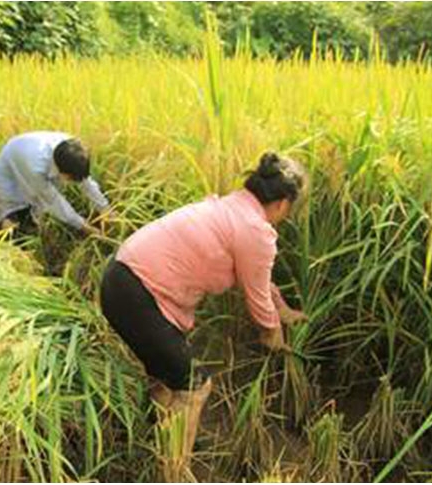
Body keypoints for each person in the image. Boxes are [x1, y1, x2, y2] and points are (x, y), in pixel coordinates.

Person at [99, 152, 308, 458]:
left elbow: (258, 281)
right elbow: (258, 296)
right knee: (195, 388)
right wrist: (271, 332)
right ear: (283, 203)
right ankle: (175, 471)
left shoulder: (232, 208)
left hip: (119, 279)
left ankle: (159, 446)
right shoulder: (255, 230)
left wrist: (282, 311)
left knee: (167, 381)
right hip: (139, 294)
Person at [0, 131, 113, 237]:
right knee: (11, 226)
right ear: (63, 173)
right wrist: (85, 227)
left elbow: (86, 182)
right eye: (71, 178)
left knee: (36, 217)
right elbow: (54, 201)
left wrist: (106, 210)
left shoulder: (73, 152)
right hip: (9, 174)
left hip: (28, 158)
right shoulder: (36, 168)